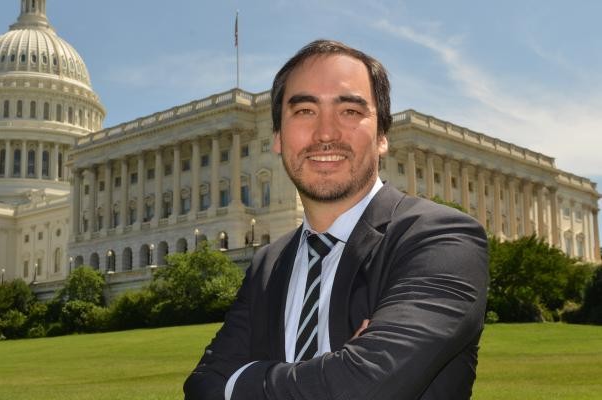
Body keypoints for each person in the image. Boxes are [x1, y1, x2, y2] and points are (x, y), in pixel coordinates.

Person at [183, 39, 489, 400]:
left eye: (349, 111)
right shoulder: (269, 263)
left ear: (382, 137)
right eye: (305, 111)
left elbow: (361, 387)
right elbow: (202, 386)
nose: (325, 134)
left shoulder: (441, 239)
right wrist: (337, 368)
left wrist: (237, 383)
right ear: (277, 137)